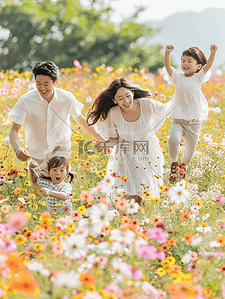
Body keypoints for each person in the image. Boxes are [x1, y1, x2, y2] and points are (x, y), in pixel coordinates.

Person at [8, 61, 105, 177]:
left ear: (56, 81)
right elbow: (14, 130)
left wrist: (102, 139)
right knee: (41, 186)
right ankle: (38, 173)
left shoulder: (66, 98)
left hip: (60, 147)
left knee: (56, 176)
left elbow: (80, 120)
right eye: (38, 83)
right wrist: (17, 149)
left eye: (46, 83)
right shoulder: (26, 100)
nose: (42, 88)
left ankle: (58, 174)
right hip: (37, 150)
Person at [86, 78, 172, 203]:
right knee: (126, 194)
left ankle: (139, 220)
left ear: (132, 93)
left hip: (148, 152)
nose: (126, 101)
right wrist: (104, 144)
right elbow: (114, 139)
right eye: (120, 98)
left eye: (127, 95)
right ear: (114, 100)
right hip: (124, 155)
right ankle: (129, 219)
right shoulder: (113, 113)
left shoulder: (147, 104)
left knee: (141, 193)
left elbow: (168, 108)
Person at [163, 44, 218, 183]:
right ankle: (174, 163)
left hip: (194, 121)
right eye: (183, 60)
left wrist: (212, 52)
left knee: (189, 150)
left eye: (189, 61)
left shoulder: (198, 78)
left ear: (198, 66)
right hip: (178, 119)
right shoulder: (178, 77)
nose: (185, 63)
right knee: (173, 139)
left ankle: (183, 167)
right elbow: (168, 68)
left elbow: (209, 66)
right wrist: (167, 53)